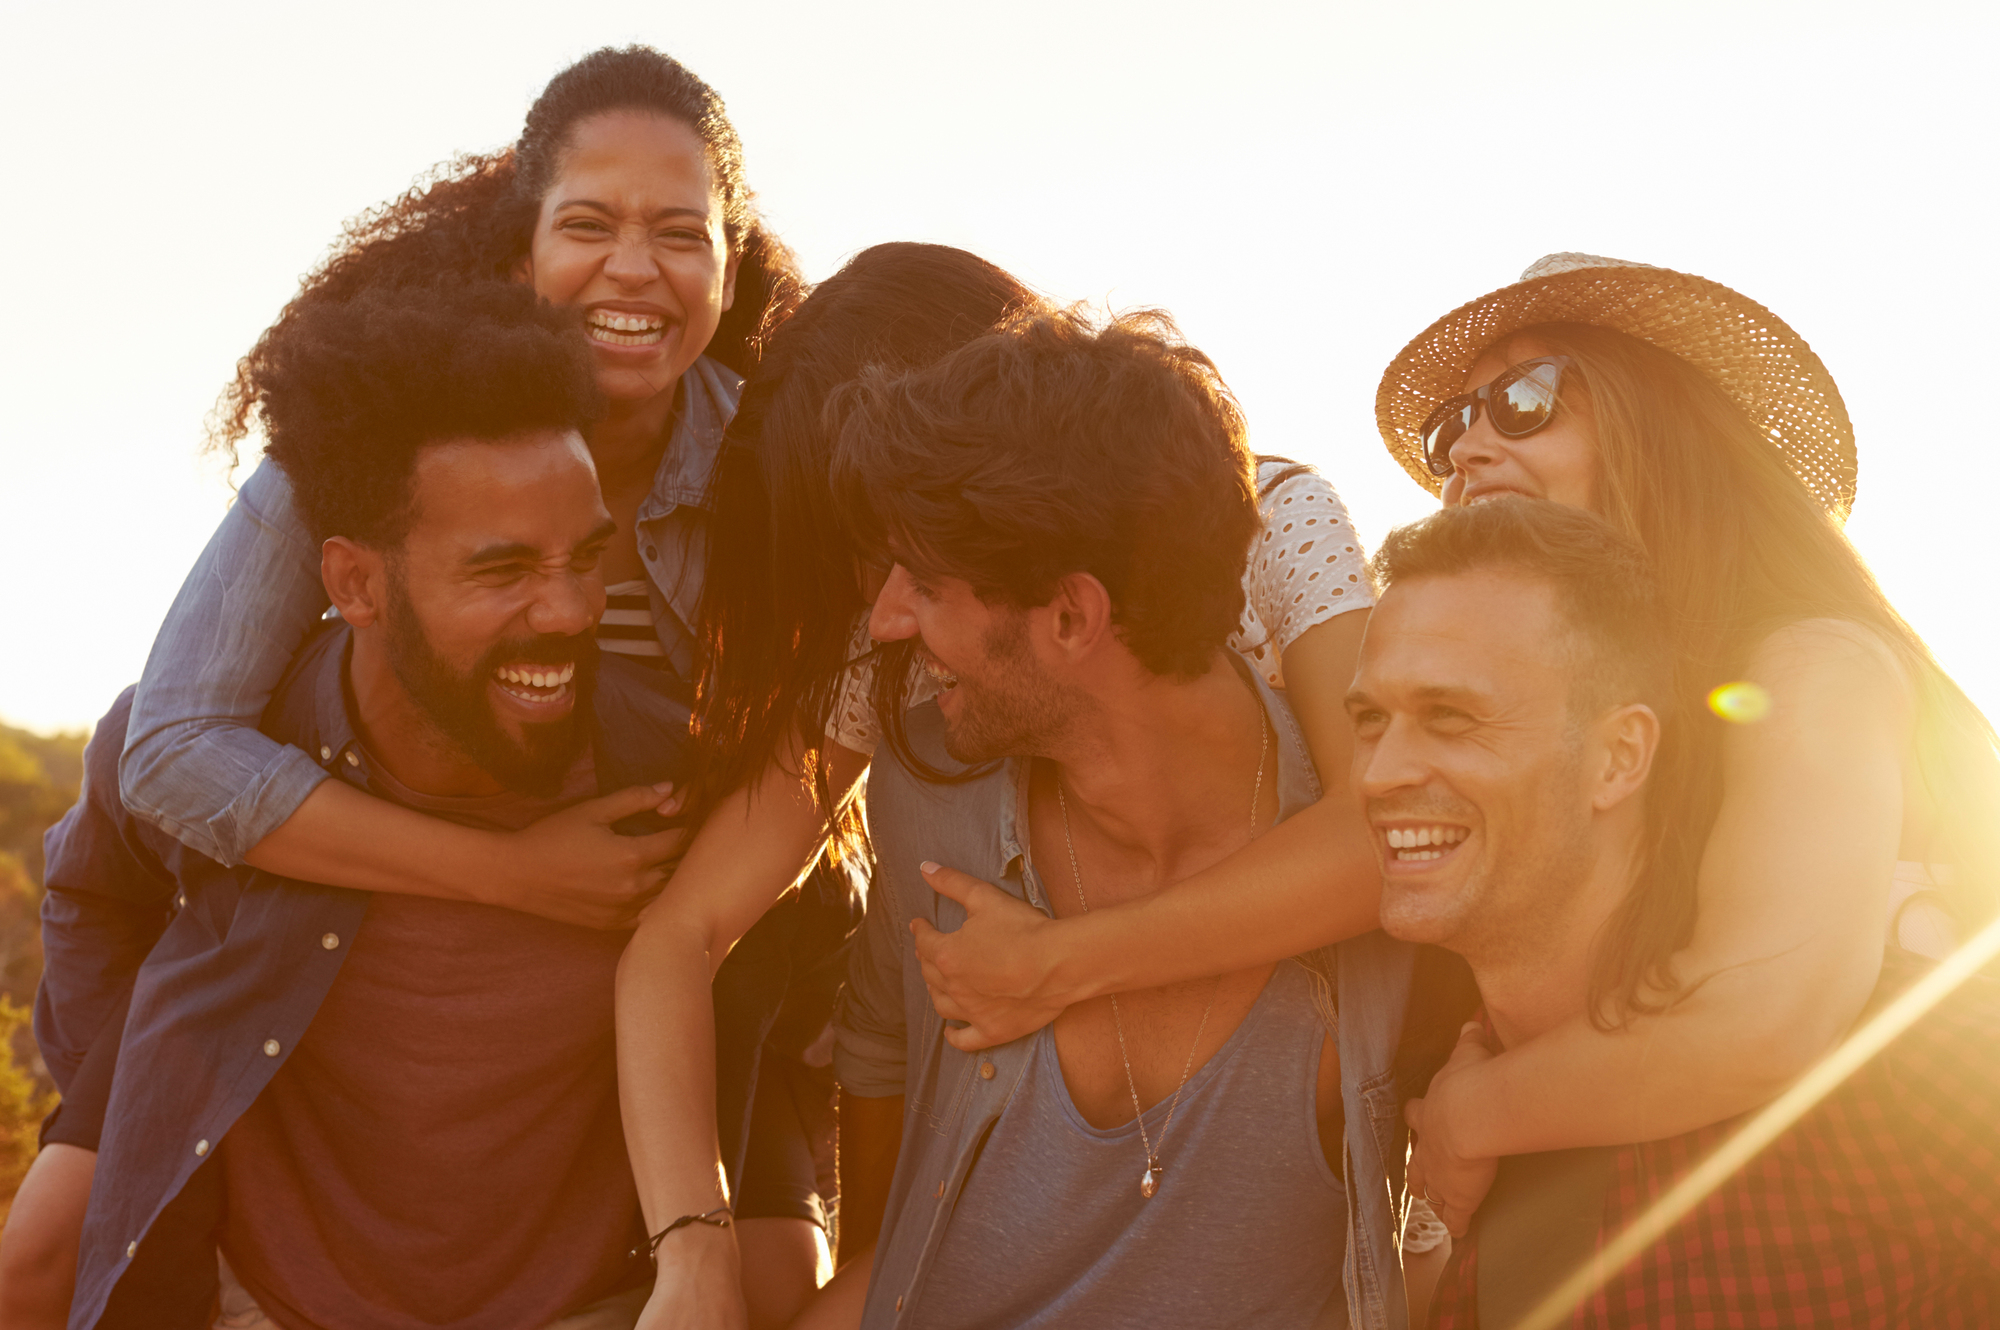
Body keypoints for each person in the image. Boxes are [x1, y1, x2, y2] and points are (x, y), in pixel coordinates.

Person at [908, 254, 2000, 1265]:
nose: (1469, 445)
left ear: (1658, 425)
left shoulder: (1814, 664)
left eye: (1523, 399)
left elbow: (1760, 1018)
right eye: (1451, 427)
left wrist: (1477, 1112)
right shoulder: (1557, 727)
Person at [60, 43, 839, 1323]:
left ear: (731, 260)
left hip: (674, 954)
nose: (633, 269)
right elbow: (166, 750)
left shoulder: (774, 474)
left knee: (769, 1281)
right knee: (52, 1251)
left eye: (680, 234)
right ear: (519, 246)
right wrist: (508, 871)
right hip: (312, 925)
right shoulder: (395, 429)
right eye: (586, 224)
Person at [615, 242, 1386, 1328]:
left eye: (905, 556)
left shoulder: (1268, 522)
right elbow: (682, 932)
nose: (877, 606)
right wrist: (699, 1254)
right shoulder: (906, 680)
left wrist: (1060, 966)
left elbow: (1378, 828)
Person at [27, 282, 756, 1330]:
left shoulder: (676, 770)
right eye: (501, 570)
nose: (568, 612)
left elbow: (787, 970)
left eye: (586, 556)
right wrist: (141, 1106)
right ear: (356, 585)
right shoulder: (214, 759)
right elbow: (94, 893)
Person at [811, 308, 1437, 1330]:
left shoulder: (1377, 857)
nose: (885, 622)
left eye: (923, 584)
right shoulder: (929, 794)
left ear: (1070, 616)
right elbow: (880, 1042)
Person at [1355, 496, 2000, 1326]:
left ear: (1620, 757)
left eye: (1451, 717)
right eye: (1370, 720)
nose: (1378, 774)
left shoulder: (1902, 1066)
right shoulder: (1444, 1160)